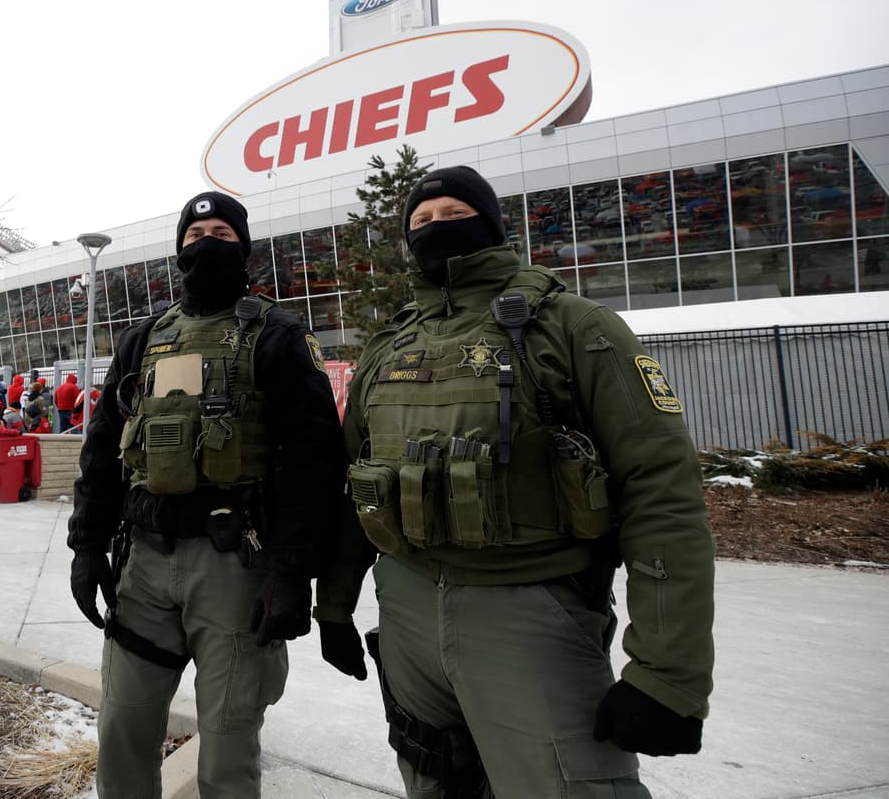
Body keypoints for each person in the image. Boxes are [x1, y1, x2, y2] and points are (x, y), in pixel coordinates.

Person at [313, 166, 716, 797]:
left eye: (453, 214)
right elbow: (355, 486)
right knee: (432, 776)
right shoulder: (389, 346)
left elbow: (661, 492)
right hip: (407, 611)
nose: (435, 228)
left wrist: (669, 672)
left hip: (532, 612)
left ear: (493, 225)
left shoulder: (574, 326)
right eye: (420, 221)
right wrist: (334, 605)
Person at [68, 190, 344, 798]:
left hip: (235, 566)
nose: (207, 244)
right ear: (178, 251)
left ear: (243, 246)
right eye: (195, 237)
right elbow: (103, 446)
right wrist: (87, 543)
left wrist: (294, 572)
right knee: (122, 727)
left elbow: (313, 461)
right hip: (144, 562)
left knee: (226, 742)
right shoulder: (145, 339)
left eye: (221, 232)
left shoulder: (277, 334)